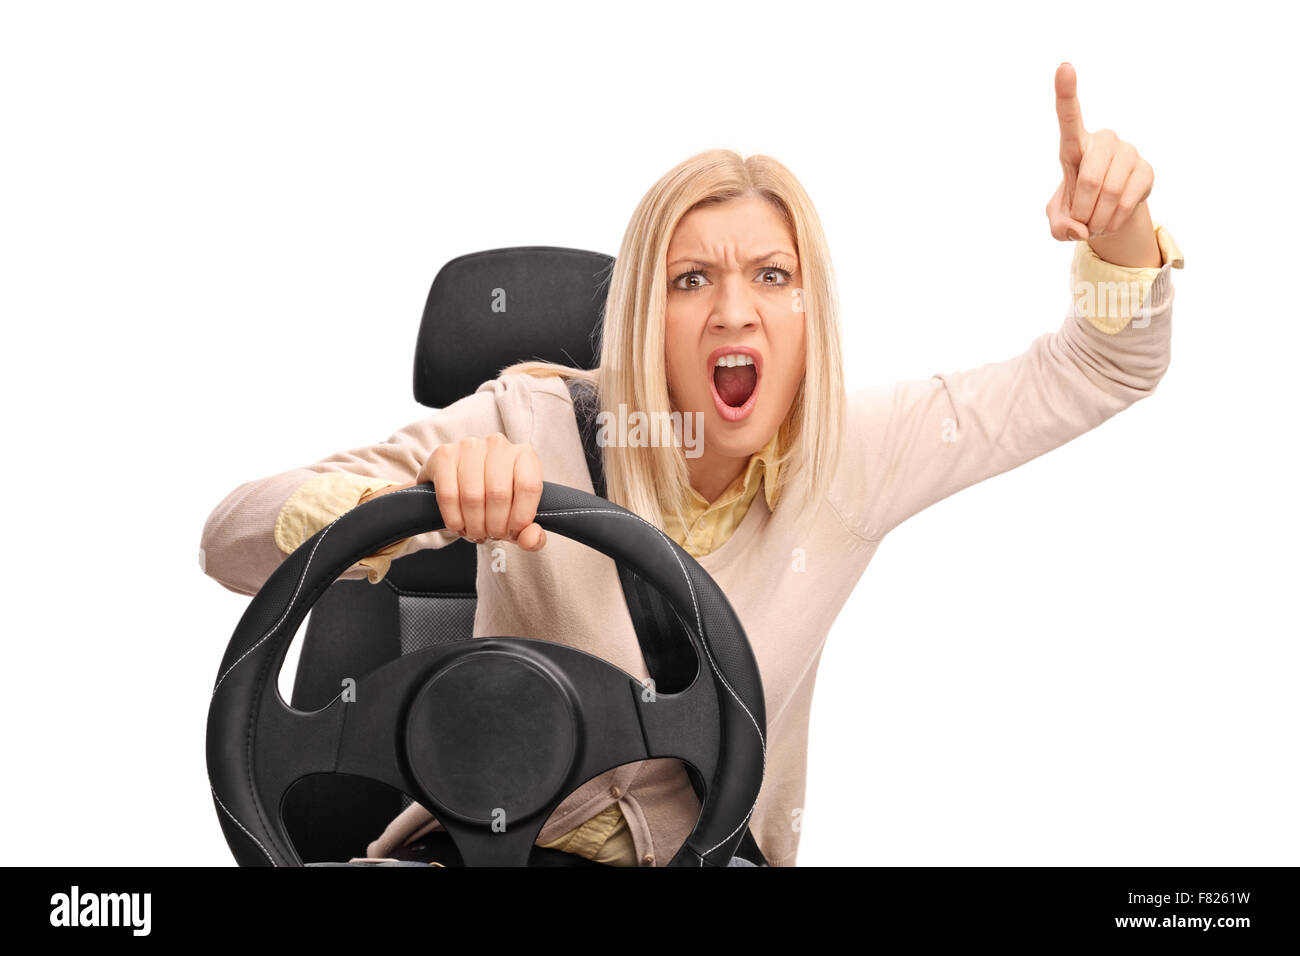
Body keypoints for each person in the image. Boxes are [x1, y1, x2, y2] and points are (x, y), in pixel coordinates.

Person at [200, 63, 1183, 867]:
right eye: (689, 279)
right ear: (642, 317)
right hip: (484, 847)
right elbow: (234, 531)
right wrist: (405, 504)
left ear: (806, 315)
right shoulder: (528, 415)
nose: (733, 310)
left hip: (714, 855)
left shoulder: (857, 450)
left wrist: (1121, 237)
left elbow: (1104, 365)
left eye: (771, 276)